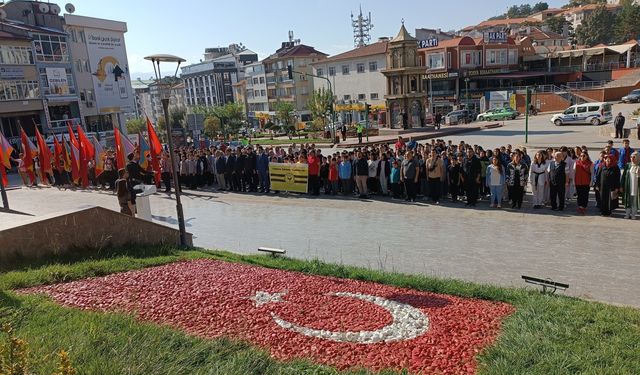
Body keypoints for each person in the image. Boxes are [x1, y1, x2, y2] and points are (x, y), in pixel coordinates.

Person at [620, 151, 639, 219]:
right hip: (628, 186)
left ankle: (633, 214)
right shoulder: (628, 165)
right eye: (631, 157)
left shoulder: (639, 166)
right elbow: (623, 176)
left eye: (634, 157)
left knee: (634, 201)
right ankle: (627, 214)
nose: (632, 158)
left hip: (636, 187)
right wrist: (621, 186)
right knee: (627, 200)